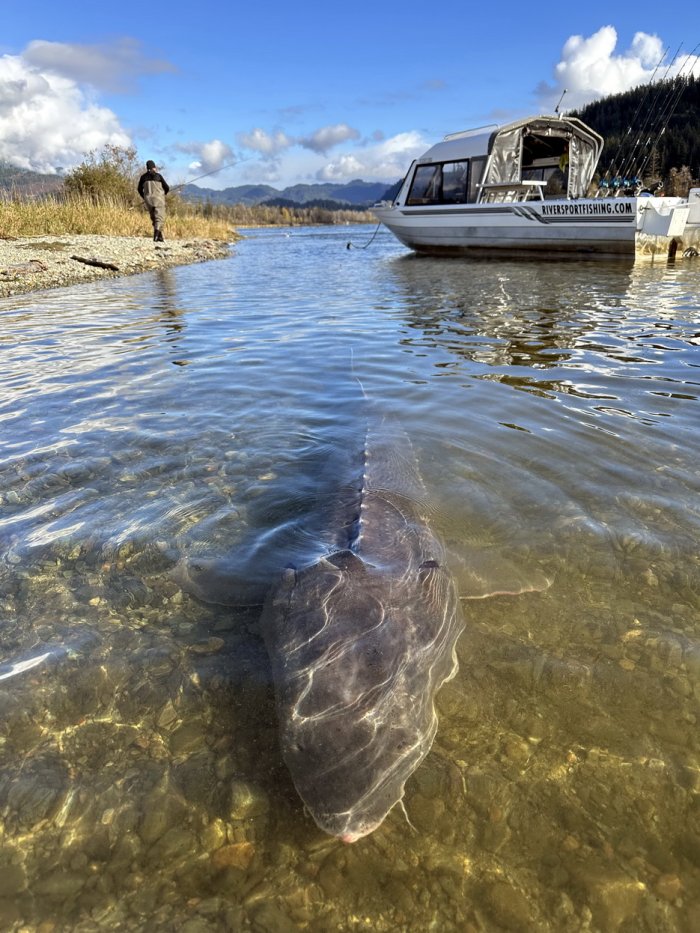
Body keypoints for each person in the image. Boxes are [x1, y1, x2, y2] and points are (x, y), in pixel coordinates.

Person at [137, 160, 170, 242]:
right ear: (154, 167)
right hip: (159, 199)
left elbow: (139, 189)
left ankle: (160, 237)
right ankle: (155, 236)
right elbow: (167, 187)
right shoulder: (158, 176)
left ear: (147, 167)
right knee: (159, 218)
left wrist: (144, 197)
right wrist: (164, 194)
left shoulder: (143, 177)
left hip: (148, 200)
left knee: (153, 218)